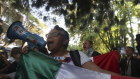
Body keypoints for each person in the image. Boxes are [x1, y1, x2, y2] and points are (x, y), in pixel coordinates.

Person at [45, 25, 119, 75]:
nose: (49, 38)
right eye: (48, 35)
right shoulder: (42, 57)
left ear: (65, 40)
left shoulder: (77, 56)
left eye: (54, 34)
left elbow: (100, 73)